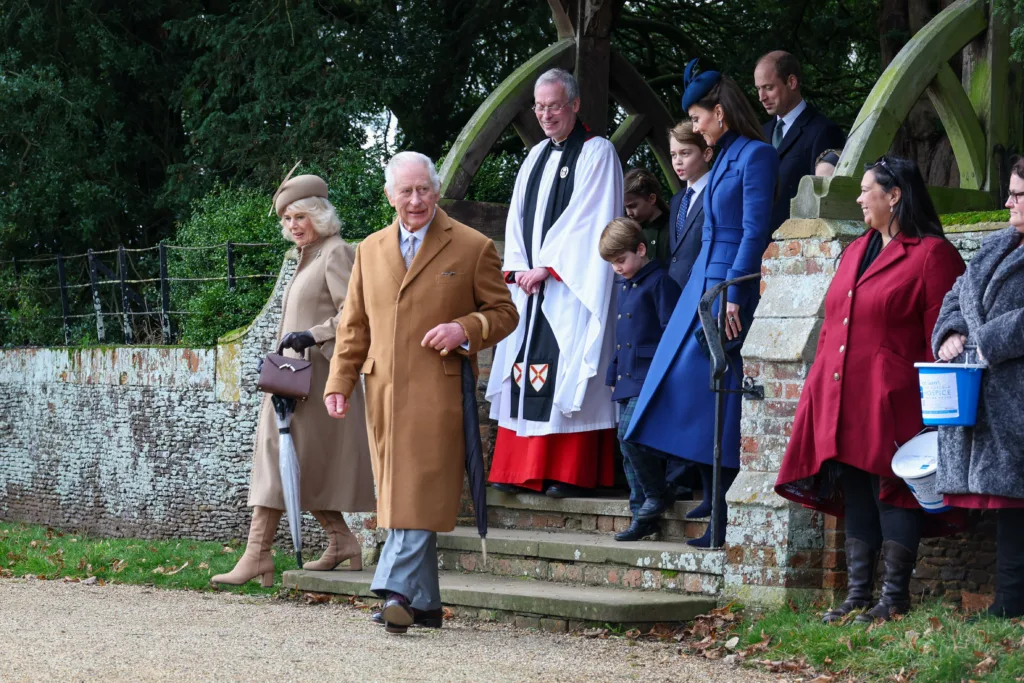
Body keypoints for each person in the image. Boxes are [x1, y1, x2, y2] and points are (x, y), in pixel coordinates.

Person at [324, 151, 518, 634]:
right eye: (405, 191)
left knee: (417, 489)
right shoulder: (368, 249)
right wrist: (339, 381)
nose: (415, 200)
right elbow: (354, 324)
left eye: (423, 189)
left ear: (436, 190)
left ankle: (395, 591)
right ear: (390, 196)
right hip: (383, 393)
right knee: (404, 493)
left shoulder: (472, 246)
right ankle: (427, 604)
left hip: (440, 392)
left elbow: (505, 312)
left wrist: (464, 328)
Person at [775, 156, 966, 623]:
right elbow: (832, 323)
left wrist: (935, 411)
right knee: (857, 486)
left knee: (895, 489)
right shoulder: (857, 248)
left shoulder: (931, 254)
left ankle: (894, 598)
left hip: (896, 397)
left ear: (894, 194)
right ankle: (859, 594)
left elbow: (943, 335)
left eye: (866, 190)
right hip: (843, 392)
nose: (859, 198)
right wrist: (819, 386)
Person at [624, 60, 779, 548]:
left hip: (726, 294)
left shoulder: (756, 155)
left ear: (719, 111)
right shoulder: (721, 158)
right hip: (700, 291)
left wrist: (734, 292)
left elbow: (754, 230)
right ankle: (705, 503)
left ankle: (721, 518)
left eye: (698, 116)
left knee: (718, 401)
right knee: (687, 397)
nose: (694, 126)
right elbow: (709, 231)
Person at [211, 173, 375, 587]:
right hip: (291, 381)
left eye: (299, 216)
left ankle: (257, 556)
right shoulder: (309, 257)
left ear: (319, 215)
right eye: (286, 219)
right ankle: (341, 542)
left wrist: (313, 334)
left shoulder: (336, 253)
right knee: (286, 461)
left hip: (317, 379)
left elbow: (355, 314)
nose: (292, 226)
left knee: (280, 459)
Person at [486, 68, 622, 498]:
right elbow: (517, 218)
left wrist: (548, 267)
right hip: (530, 286)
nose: (545, 115)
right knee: (524, 369)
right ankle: (517, 470)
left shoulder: (598, 153)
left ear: (575, 105)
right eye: (539, 107)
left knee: (565, 368)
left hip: (569, 286)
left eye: (554, 106)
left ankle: (567, 471)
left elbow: (590, 220)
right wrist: (518, 267)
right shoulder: (535, 156)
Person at [933, 158, 1024, 619]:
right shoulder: (996, 245)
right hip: (984, 392)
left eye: (1017, 195)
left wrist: (986, 339)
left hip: (1016, 393)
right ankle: (1008, 601)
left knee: (1018, 501)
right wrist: (949, 330)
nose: (1008, 202)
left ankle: (1010, 604)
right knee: (1009, 502)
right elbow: (957, 293)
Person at [599, 218, 682, 541]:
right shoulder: (626, 285)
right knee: (625, 444)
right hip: (627, 375)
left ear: (641, 249)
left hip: (650, 374)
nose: (617, 269)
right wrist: (612, 371)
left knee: (630, 435)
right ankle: (641, 515)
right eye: (612, 264)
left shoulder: (660, 282)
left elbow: (670, 333)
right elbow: (623, 337)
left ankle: (657, 495)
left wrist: (662, 373)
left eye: (621, 260)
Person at [754, 51, 845, 231]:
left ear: (792, 82)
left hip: (797, 248)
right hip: (757, 246)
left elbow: (825, 202)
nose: (761, 97)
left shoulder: (824, 131)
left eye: (768, 87)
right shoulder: (759, 133)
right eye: (758, 88)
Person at [666, 121, 713, 288]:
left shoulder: (716, 193)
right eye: (673, 155)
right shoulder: (677, 200)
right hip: (674, 291)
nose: (677, 161)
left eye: (685, 153)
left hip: (703, 288)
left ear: (707, 154)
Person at [623, 168, 671, 264]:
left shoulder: (673, 227)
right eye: (625, 207)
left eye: (632, 206)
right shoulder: (632, 232)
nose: (629, 213)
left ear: (652, 199)